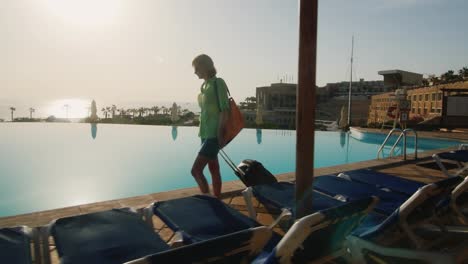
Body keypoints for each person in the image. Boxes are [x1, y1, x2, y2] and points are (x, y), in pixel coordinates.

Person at [191, 54, 230, 198]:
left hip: (214, 134)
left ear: (204, 66)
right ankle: (217, 200)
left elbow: (224, 109)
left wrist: (220, 133)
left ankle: (208, 200)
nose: (195, 72)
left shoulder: (217, 83)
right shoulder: (204, 86)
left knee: (196, 170)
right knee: (214, 169)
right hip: (205, 133)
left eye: (196, 68)